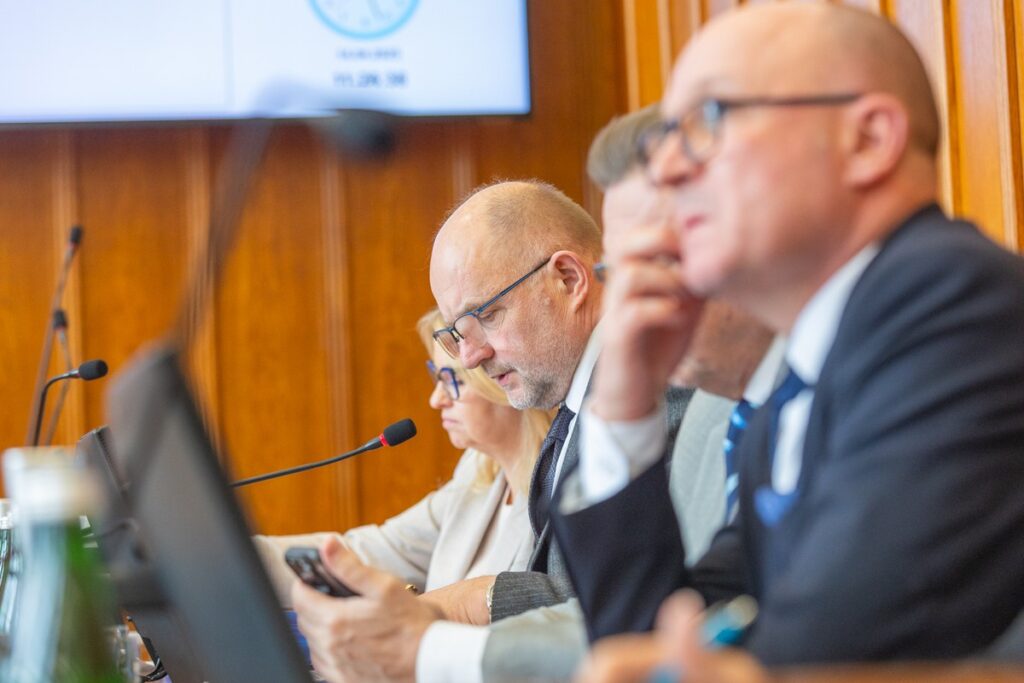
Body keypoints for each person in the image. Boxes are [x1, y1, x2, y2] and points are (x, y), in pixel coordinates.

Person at [552, 1, 1024, 675]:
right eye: (666, 142)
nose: (671, 171)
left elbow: (832, 647)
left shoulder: (956, 306)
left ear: (866, 140)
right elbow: (655, 643)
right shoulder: (787, 399)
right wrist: (625, 407)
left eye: (708, 121)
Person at [254, 307, 552, 601]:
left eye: (453, 381)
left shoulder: (558, 488)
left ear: (502, 379)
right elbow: (370, 552)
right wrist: (238, 552)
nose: (436, 400)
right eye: (437, 378)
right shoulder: (478, 473)